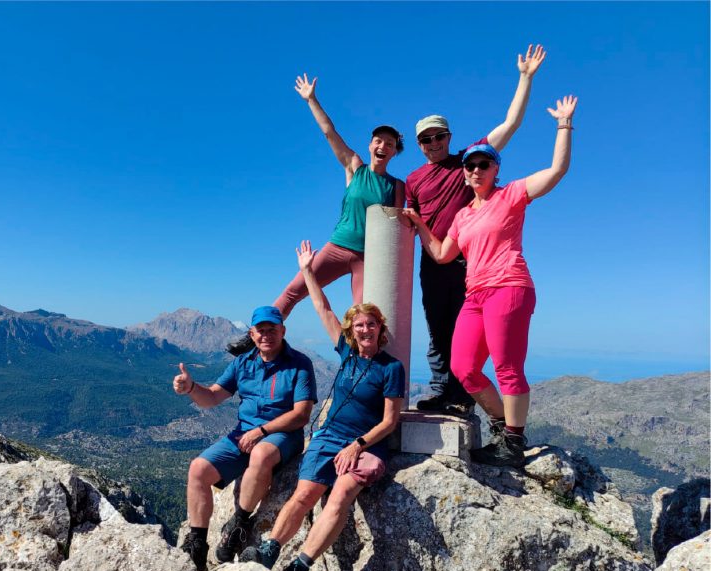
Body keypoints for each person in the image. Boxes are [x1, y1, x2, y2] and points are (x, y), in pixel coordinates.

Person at [403, 95, 577, 467]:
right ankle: (503, 426)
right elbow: (442, 254)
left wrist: (564, 125)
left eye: (484, 164)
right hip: (476, 293)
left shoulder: (511, 194)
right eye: (471, 166)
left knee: (507, 367)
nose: (476, 170)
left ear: (495, 169)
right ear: (464, 172)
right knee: (463, 366)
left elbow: (557, 171)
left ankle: (513, 442)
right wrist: (417, 223)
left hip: (510, 287)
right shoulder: (464, 214)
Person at [239, 241, 404, 571]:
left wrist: (357, 446)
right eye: (359, 325)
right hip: (329, 436)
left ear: (380, 328)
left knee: (341, 494)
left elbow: (390, 420)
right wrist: (307, 271)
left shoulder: (392, 368)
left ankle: (301, 564)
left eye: (371, 324)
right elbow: (321, 306)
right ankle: (271, 548)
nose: (365, 329)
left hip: (365, 444)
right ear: (351, 330)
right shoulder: (346, 352)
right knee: (305, 493)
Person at [406, 45, 547, 417]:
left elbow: (510, 124)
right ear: (419, 145)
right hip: (435, 257)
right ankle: (441, 389)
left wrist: (525, 78)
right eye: (426, 140)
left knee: (466, 331)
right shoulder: (414, 179)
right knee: (439, 329)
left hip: (474, 261)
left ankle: (463, 397)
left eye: (439, 137)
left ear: (449, 138)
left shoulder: (470, 160)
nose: (434, 144)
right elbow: (407, 218)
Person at [227, 74, 405, 356]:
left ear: (395, 152)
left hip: (368, 260)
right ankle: (255, 338)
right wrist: (311, 99)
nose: (383, 146)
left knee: (365, 317)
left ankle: (364, 367)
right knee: (293, 291)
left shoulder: (396, 186)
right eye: (378, 141)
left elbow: (395, 227)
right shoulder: (355, 167)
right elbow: (329, 132)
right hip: (338, 247)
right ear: (370, 145)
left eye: (390, 144)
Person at [175, 305, 317, 571]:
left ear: (283, 331)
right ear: (252, 335)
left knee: (261, 454)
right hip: (244, 433)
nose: (266, 336)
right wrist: (192, 388)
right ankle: (197, 545)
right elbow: (213, 396)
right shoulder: (243, 363)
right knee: (198, 469)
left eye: (271, 330)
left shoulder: (299, 364)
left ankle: (239, 524)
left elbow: (301, 415)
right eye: (260, 331)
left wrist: (261, 432)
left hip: (282, 436)